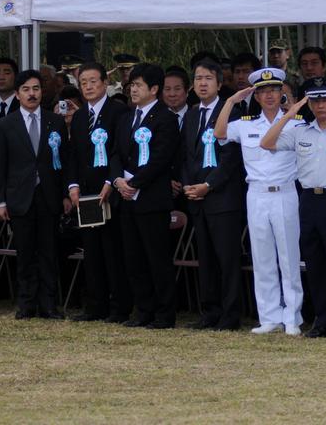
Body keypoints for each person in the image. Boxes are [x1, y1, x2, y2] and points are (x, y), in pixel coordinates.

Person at [261, 77, 326, 338]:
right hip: (308, 200)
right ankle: (322, 319)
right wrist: (291, 113)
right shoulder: (299, 130)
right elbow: (267, 142)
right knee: (315, 263)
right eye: (316, 100)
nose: (321, 105)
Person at [214, 67, 305, 336]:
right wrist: (230, 101)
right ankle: (269, 316)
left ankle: (292, 316)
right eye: (263, 91)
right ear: (255, 96)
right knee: (263, 257)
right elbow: (219, 134)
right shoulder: (245, 124)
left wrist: (289, 114)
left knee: (289, 258)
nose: (269, 96)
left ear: (282, 93)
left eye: (274, 90)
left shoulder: (296, 122)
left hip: (285, 192)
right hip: (256, 194)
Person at [0, 70, 69, 320]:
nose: (32, 93)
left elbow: (63, 162)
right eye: (26, 89)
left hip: (48, 195)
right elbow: (0, 165)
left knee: (49, 252)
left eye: (36, 88)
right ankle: (26, 303)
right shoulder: (6, 124)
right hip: (20, 197)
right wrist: (2, 199)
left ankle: (49, 303)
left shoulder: (55, 121)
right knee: (25, 253)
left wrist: (66, 193)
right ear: (17, 94)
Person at [111, 63, 181, 329]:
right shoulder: (127, 117)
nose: (133, 90)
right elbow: (116, 152)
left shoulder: (166, 118)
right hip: (127, 198)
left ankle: (164, 314)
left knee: (157, 259)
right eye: (131, 85)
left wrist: (135, 183)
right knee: (134, 259)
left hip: (151, 198)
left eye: (138, 85)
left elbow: (161, 158)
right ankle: (144, 311)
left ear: (154, 89)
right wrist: (119, 180)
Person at [181, 59, 246, 331]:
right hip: (197, 199)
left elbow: (231, 158)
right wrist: (189, 186)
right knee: (205, 259)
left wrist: (208, 185)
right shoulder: (192, 114)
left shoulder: (231, 111)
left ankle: (230, 316)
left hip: (223, 198)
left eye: (208, 78)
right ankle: (209, 311)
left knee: (227, 260)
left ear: (220, 83)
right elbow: (186, 155)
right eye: (197, 78)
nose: (202, 83)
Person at [65, 63, 131, 323]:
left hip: (111, 191)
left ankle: (119, 306)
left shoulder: (119, 111)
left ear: (105, 83)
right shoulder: (81, 116)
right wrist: (72, 185)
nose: (89, 87)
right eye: (84, 83)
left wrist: (109, 181)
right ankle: (96, 305)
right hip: (87, 195)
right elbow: (74, 154)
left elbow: (120, 150)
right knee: (91, 251)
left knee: (113, 251)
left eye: (94, 81)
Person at [229, 52, 262, 116]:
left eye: (246, 72)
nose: (240, 76)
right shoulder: (228, 101)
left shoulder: (263, 100)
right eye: (237, 72)